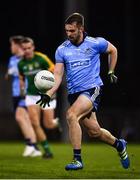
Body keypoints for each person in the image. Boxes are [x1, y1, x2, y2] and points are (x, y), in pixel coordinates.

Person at [36, 12, 130, 170]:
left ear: (81, 29)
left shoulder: (95, 43)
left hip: (92, 88)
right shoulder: (61, 49)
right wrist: (48, 93)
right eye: (67, 31)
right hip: (74, 94)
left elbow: (113, 50)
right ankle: (119, 145)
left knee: (71, 115)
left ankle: (77, 159)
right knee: (95, 132)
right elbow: (57, 75)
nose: (69, 34)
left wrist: (110, 71)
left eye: (72, 31)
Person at [18, 37, 59, 158]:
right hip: (31, 95)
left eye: (29, 48)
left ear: (33, 47)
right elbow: (21, 76)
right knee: (35, 123)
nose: (27, 50)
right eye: (24, 48)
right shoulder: (21, 64)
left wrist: (47, 81)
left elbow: (54, 70)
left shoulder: (41, 58)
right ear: (22, 49)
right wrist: (21, 86)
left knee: (48, 125)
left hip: (46, 95)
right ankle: (47, 150)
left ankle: (56, 123)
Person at [5, 35, 42, 157]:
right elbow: (9, 75)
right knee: (24, 119)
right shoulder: (12, 59)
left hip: (26, 92)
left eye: (12, 45)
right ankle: (33, 146)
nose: (11, 47)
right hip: (16, 93)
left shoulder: (25, 58)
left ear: (17, 45)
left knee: (20, 116)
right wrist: (9, 73)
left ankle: (31, 145)